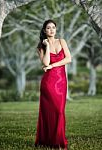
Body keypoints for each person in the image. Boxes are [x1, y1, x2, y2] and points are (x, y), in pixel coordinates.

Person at [35, 19, 72, 150]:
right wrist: (48, 47)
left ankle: (59, 140)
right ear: (45, 30)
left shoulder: (62, 41)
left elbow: (68, 58)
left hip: (61, 81)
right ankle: (49, 141)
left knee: (59, 111)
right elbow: (45, 63)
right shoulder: (41, 47)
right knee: (48, 112)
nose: (51, 30)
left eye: (53, 28)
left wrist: (52, 65)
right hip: (48, 83)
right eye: (49, 28)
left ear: (56, 29)